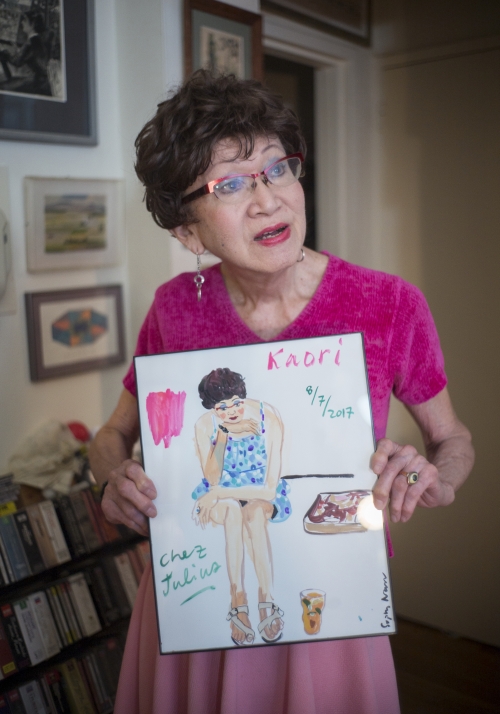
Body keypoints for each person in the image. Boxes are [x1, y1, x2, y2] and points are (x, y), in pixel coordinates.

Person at [89, 70, 474, 714]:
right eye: (230, 184)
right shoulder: (174, 309)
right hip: (194, 600)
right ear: (188, 231)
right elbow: (111, 438)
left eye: (277, 169)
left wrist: (430, 474)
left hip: (334, 598)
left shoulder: (387, 304)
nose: (267, 200)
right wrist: (113, 478)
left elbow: (452, 441)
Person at [193, 367, 290, 646]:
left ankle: (266, 598)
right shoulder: (205, 425)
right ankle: (238, 599)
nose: (232, 411)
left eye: (236, 403)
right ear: (212, 408)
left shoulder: (267, 417)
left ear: (243, 397)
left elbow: (269, 489)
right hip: (222, 498)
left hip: (258, 492)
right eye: (222, 408)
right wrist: (223, 433)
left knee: (255, 513)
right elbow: (212, 477)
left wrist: (221, 491)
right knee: (234, 511)